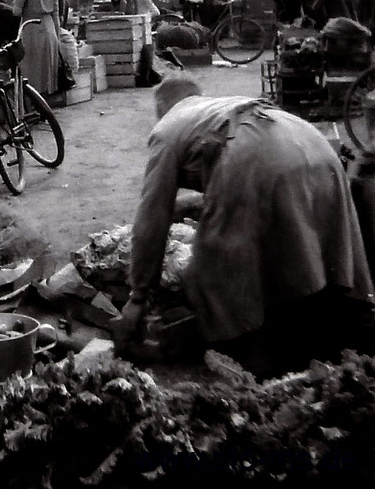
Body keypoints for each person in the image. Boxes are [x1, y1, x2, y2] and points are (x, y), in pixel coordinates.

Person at [115, 75, 375, 378]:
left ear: (162, 107)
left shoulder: (166, 127)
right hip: (311, 143)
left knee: (216, 267)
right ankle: (333, 337)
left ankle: (257, 362)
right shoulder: (219, 107)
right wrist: (195, 205)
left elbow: (152, 215)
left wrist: (138, 295)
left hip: (255, 155)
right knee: (312, 244)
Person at [11, 0, 61, 95]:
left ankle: (32, 103)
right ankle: (46, 103)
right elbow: (56, 14)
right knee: (47, 69)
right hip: (49, 26)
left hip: (31, 26)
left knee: (31, 69)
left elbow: (17, 11)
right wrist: (57, 37)